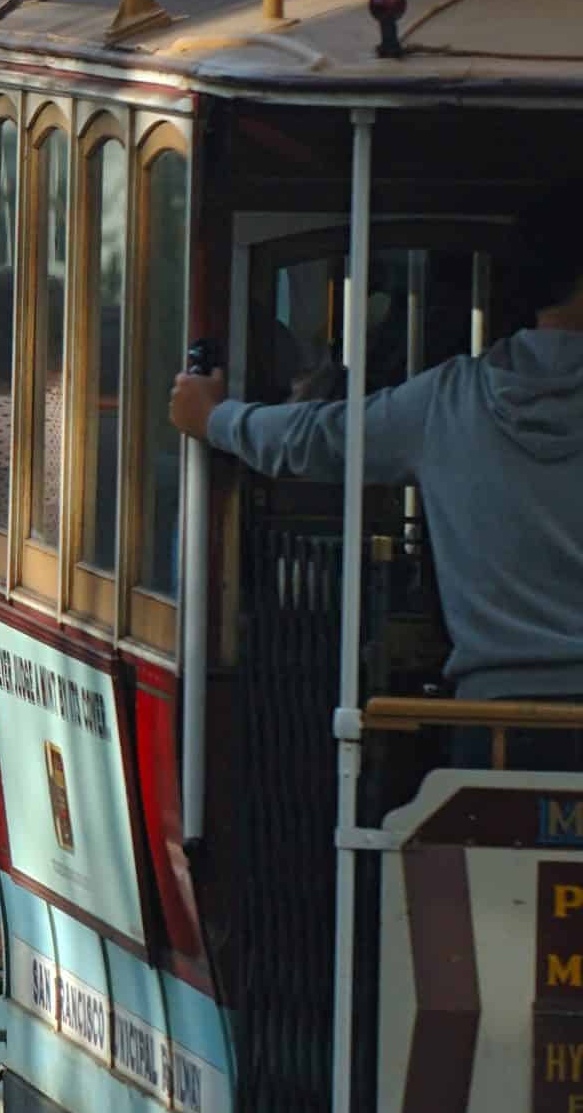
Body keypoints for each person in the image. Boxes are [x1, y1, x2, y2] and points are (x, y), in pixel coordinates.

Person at [169, 201, 583, 760]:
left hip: (493, 726)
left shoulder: (447, 402)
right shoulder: (446, 400)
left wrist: (214, 419)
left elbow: (320, 437)